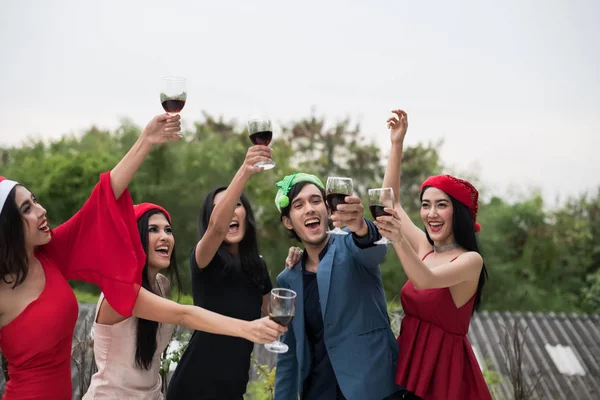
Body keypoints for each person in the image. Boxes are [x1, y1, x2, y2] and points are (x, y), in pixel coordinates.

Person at [0, 115, 285, 400]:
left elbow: (103, 197)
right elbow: (183, 312)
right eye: (26, 208)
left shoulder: (51, 257)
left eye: (35, 200)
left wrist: (146, 140)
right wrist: (247, 328)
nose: (41, 211)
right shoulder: (116, 293)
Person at [373, 109, 491, 399]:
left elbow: (424, 280)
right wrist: (396, 144)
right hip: (409, 365)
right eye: (426, 205)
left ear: (458, 213)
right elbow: (391, 201)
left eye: (441, 205)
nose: (431, 213)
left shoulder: (470, 261)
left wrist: (399, 237)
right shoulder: (426, 248)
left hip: (445, 378)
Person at [272, 172, 402, 400]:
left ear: (328, 209)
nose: (309, 209)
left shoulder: (352, 244)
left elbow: (375, 248)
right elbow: (289, 355)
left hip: (373, 388)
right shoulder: (288, 278)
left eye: (315, 201)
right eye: (298, 205)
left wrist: (360, 226)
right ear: (288, 221)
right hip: (318, 392)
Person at [167, 145, 277, 400]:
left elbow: (276, 315)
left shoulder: (257, 267)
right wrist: (245, 170)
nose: (229, 213)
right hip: (194, 387)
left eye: (236, 204)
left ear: (246, 214)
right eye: (221, 208)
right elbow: (217, 228)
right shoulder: (204, 258)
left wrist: (297, 265)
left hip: (234, 387)